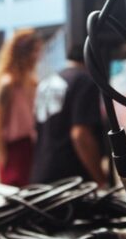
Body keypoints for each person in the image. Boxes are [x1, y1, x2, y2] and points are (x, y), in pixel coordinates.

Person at [31, 45, 106, 185]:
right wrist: (100, 179)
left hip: (41, 174)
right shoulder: (84, 80)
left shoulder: (46, 82)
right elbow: (80, 135)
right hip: (71, 180)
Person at [0, 29, 43, 186]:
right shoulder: (8, 83)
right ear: (22, 53)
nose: (37, 56)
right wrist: (3, 156)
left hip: (31, 146)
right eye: (34, 51)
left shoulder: (32, 82)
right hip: (14, 150)